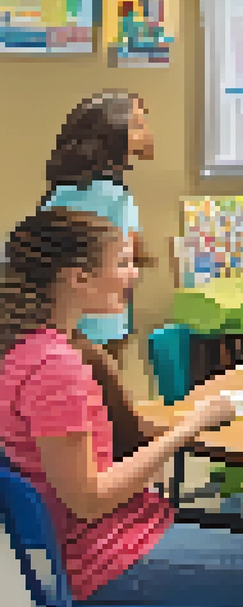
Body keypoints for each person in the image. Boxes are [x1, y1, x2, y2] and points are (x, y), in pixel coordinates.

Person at [0, 209, 243, 607]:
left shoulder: (27, 349)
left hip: (109, 541)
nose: (133, 275)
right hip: (107, 561)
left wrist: (187, 424)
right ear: (77, 278)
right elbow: (88, 499)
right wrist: (186, 429)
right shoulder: (54, 367)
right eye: (122, 263)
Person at [41, 92, 155, 460]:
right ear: (112, 134)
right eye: (138, 124)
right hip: (104, 318)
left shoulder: (62, 191)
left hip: (61, 314)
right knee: (105, 406)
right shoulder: (115, 195)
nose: (146, 132)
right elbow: (129, 250)